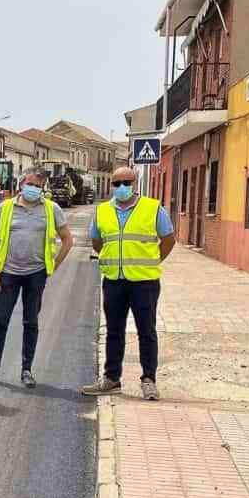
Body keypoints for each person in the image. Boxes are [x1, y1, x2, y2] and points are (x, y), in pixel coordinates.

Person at [81, 166, 176, 401]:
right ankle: (111, 379)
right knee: (114, 331)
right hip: (114, 280)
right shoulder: (102, 210)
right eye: (117, 183)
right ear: (112, 185)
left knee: (147, 331)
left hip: (144, 281)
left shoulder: (153, 208)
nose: (121, 187)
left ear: (134, 183)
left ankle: (149, 380)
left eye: (126, 182)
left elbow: (168, 239)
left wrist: (152, 261)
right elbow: (96, 241)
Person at [0, 167, 74, 388]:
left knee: (30, 322)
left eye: (38, 186)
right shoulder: (5, 208)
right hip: (7, 274)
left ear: (43, 188)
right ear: (21, 184)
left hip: (36, 275)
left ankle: (26, 370)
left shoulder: (52, 209)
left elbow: (67, 240)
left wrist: (52, 267)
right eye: (30, 184)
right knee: (0, 321)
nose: (34, 189)